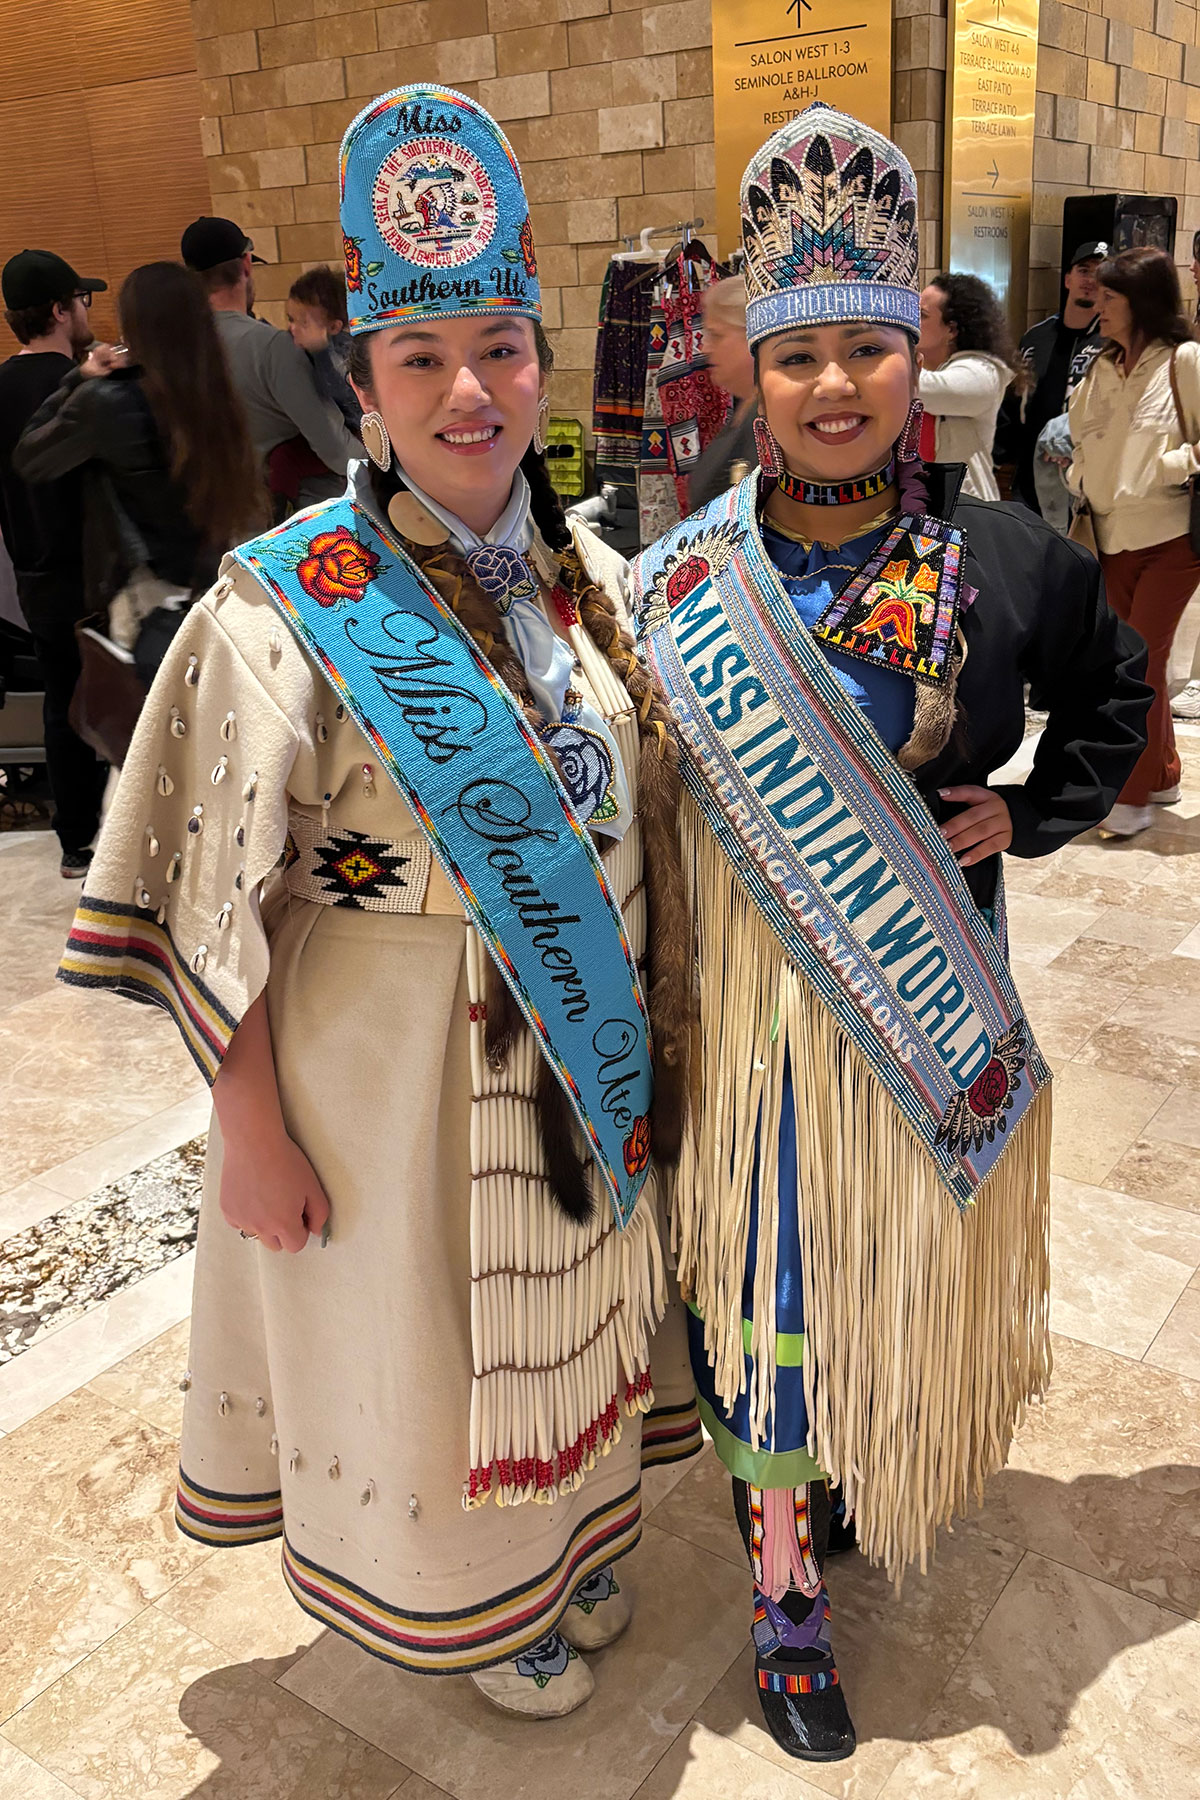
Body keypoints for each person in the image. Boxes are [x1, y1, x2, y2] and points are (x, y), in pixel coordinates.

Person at [60, 86, 700, 1722]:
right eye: (422, 361)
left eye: (499, 347)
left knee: (578, 1315)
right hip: (383, 1074)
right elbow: (206, 898)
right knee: (424, 1352)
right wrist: (250, 1124)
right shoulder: (282, 604)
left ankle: (569, 1539)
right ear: (362, 384)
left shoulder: (599, 586)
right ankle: (478, 1604)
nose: (468, 390)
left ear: (542, 364)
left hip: (581, 1055)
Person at [631, 102, 1152, 1764]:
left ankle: (846, 1483)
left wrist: (1035, 807)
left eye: (866, 348)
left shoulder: (1003, 558)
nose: (836, 386)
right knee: (767, 1311)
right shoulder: (687, 579)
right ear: (754, 378)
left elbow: (1118, 700)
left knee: (880, 1285)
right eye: (800, 359)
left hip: (921, 1014)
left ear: (911, 356)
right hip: (754, 1038)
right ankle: (785, 1616)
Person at [14, 261, 264, 688]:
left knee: (153, 741)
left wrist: (78, 377)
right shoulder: (214, 390)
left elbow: (30, 457)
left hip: (147, 595)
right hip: (221, 586)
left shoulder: (106, 399)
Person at [1067, 245, 1200, 837]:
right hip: (1108, 532)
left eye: (1111, 294)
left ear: (1140, 300)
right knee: (1135, 660)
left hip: (1172, 534)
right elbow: (1080, 439)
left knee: (1140, 660)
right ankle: (1165, 770)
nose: (1100, 303)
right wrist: (1080, 476)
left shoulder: (1185, 361)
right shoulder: (1098, 367)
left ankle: (1132, 794)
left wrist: (1169, 466)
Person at [0, 249, 109, 876]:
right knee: (134, 697)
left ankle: (75, 841)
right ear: (58, 310)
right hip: (95, 573)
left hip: (33, 575)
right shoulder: (82, 385)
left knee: (60, 703)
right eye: (82, 300)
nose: (87, 311)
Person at [182, 216, 362, 511]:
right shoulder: (273, 347)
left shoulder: (177, 346)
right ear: (246, 265)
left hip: (212, 512)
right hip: (284, 517)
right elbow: (339, 451)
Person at [997, 241, 1104, 515]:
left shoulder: (1111, 344)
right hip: (1029, 482)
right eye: (1084, 270)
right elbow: (1011, 405)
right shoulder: (1035, 338)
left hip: (1083, 484)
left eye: (1101, 273)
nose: (1091, 279)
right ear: (1068, 279)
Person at [917, 272, 1020, 500]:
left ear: (951, 330)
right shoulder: (930, 368)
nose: (911, 320)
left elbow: (925, 389)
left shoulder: (983, 372)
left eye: (922, 315)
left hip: (966, 509)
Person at [689, 276, 758, 509]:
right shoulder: (747, 409)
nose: (704, 348)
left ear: (753, 337)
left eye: (716, 335)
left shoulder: (774, 424)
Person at [286, 266, 362, 436]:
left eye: (304, 323)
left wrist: (320, 353)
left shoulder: (343, 352)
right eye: (290, 319)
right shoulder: (298, 348)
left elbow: (345, 398)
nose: (292, 328)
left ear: (334, 327)